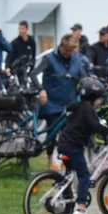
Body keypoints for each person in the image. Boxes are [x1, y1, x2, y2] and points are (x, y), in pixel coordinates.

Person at [56, 76, 108, 214]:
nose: (100, 102)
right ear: (94, 97)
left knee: (70, 175)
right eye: (99, 98)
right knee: (84, 176)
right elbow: (95, 126)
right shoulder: (87, 108)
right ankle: (81, 208)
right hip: (73, 146)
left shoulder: (77, 106)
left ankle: (63, 200)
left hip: (64, 143)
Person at [34, 34, 92, 170]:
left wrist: (89, 82)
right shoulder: (49, 58)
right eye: (66, 51)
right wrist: (41, 90)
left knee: (68, 135)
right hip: (51, 102)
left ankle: (65, 162)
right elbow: (34, 74)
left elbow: (83, 77)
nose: (67, 54)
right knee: (52, 134)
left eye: (70, 52)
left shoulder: (76, 60)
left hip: (69, 103)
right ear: (60, 46)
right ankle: (50, 161)